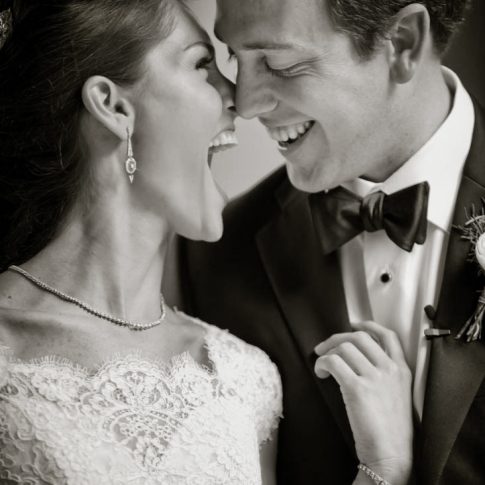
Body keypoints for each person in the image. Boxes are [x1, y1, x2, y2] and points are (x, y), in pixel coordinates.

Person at [180, 0, 485, 484]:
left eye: (280, 63)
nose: (246, 101)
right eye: (237, 59)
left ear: (402, 43)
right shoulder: (214, 256)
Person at [0, 1, 286, 483]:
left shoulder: (244, 379)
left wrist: (382, 469)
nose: (239, 96)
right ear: (112, 106)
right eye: (202, 64)